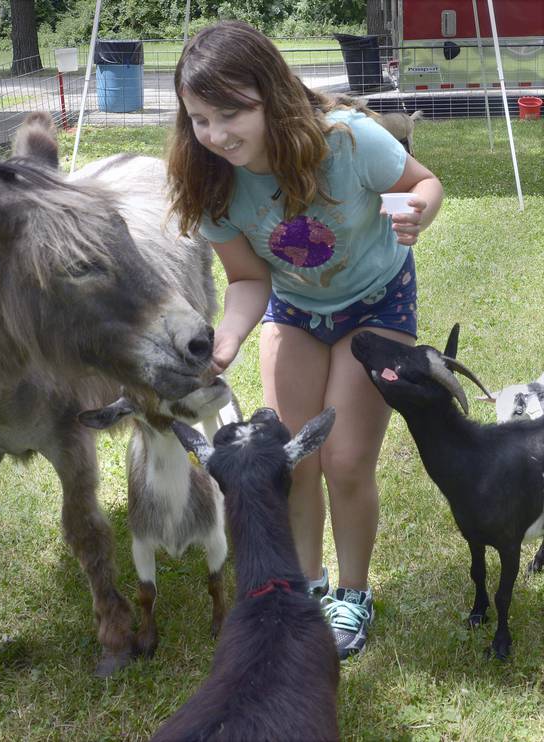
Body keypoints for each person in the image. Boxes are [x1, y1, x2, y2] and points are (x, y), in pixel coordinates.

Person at [167, 21, 443, 659]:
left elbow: (423, 183)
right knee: (291, 464)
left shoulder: (346, 142)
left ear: (271, 93)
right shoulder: (212, 180)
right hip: (295, 308)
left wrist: (419, 211)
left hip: (377, 302)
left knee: (345, 460)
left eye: (231, 113)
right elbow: (246, 277)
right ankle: (309, 588)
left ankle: (351, 596)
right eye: (199, 118)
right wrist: (228, 339)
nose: (215, 134)